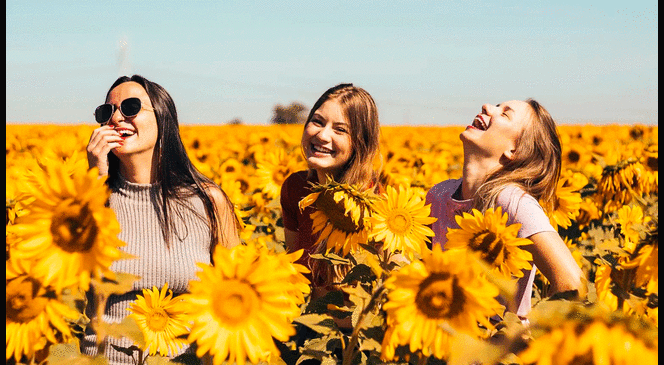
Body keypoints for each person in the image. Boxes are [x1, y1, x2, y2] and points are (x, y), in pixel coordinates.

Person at [82, 75, 240, 364]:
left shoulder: (208, 201)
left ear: (163, 117)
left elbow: (235, 292)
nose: (116, 118)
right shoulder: (87, 200)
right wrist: (95, 182)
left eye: (130, 107)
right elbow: (69, 283)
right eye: (107, 112)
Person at [425, 99, 586, 319]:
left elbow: (572, 282)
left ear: (515, 150)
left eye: (504, 114)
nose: (487, 107)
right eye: (496, 106)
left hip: (497, 349)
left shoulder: (511, 201)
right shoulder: (439, 194)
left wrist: (528, 337)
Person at [280, 83, 382, 292]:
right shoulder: (296, 188)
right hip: (305, 319)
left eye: (340, 130)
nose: (323, 135)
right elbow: (294, 266)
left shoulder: (379, 202)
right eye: (317, 122)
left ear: (360, 142)